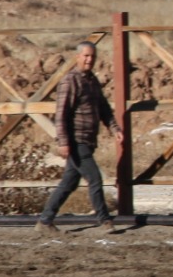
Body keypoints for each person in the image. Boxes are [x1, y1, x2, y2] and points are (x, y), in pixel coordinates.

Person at [37, 40, 117, 233]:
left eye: (92, 56)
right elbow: (61, 114)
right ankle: (104, 220)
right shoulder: (69, 81)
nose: (89, 60)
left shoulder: (91, 81)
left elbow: (103, 107)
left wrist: (115, 128)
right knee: (95, 179)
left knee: (69, 183)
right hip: (76, 141)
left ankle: (45, 221)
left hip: (89, 140)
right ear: (77, 57)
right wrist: (64, 142)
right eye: (86, 56)